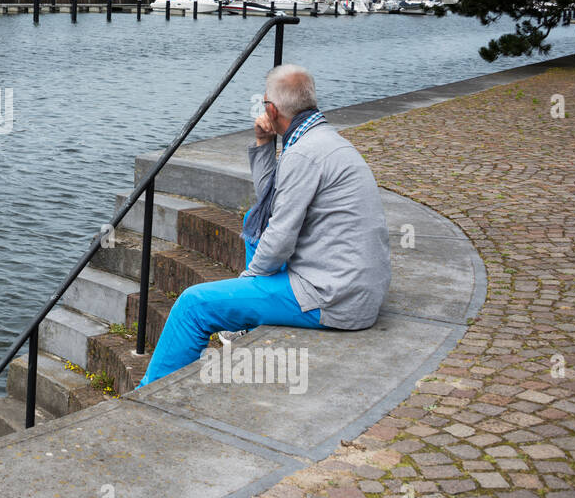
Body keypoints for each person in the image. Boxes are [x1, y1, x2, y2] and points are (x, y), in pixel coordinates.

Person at [138, 64, 391, 387]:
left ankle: (150, 394)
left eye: (265, 103)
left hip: (333, 299)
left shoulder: (304, 154)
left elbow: (281, 237)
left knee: (194, 304)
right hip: (352, 285)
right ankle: (246, 321)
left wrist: (247, 284)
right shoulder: (318, 139)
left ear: (271, 109)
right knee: (251, 222)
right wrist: (262, 144)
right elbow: (270, 208)